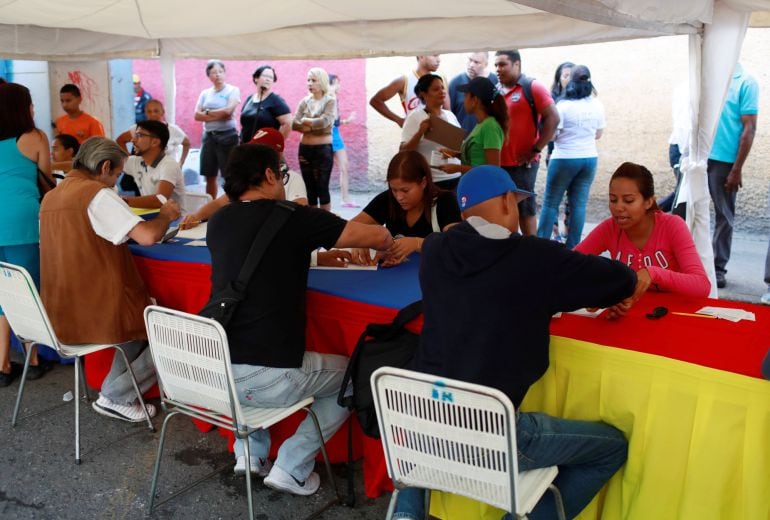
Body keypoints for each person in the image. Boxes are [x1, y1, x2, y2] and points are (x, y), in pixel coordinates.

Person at [393, 164, 637, 520]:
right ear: (509, 200)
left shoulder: (435, 250)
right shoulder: (535, 257)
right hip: (491, 437)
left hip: (420, 422)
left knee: (421, 440)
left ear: (463, 213)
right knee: (611, 448)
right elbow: (621, 279)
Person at [206, 143, 392, 495]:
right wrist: (388, 241)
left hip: (214, 372)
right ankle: (292, 465)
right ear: (270, 175)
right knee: (351, 378)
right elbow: (370, 235)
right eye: (283, 173)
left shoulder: (218, 221)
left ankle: (250, 453)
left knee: (247, 355)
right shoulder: (294, 217)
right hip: (270, 373)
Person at [39, 137, 181, 421]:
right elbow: (148, 236)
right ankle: (116, 395)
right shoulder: (96, 194)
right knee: (173, 330)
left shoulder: (53, 195)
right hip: (96, 310)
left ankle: (115, 394)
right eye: (116, 175)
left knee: (142, 317)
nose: (115, 183)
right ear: (104, 167)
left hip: (59, 308)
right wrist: (165, 214)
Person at [575, 162, 710, 298]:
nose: (618, 207)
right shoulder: (610, 228)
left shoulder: (672, 226)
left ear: (648, 202)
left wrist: (654, 273)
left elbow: (702, 286)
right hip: (629, 314)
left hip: (671, 314)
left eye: (628, 200)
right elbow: (570, 265)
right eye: (613, 200)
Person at [0, 82, 54, 387]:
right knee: (28, 291)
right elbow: (46, 184)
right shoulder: (34, 137)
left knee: (2, 294)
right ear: (22, 108)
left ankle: (3, 364)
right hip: (21, 222)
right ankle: (32, 359)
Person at [350, 150, 461, 266]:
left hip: (435, 275)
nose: (399, 197)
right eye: (394, 189)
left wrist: (417, 243)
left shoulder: (445, 201)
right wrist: (361, 241)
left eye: (405, 190)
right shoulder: (387, 200)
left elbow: (456, 243)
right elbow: (349, 228)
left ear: (423, 182)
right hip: (396, 277)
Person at [537, 65, 604, 249]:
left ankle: (541, 243)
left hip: (564, 157)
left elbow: (553, 136)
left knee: (551, 202)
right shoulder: (596, 104)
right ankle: (574, 247)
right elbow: (598, 134)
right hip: (589, 157)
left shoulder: (564, 106)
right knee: (579, 205)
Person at [494, 50, 560, 236]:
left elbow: (553, 118)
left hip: (522, 164)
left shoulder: (532, 87)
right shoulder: (497, 89)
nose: (498, 69)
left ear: (517, 64)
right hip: (499, 162)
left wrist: (536, 149)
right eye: (496, 65)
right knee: (504, 210)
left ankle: (533, 252)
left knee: (525, 210)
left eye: (503, 64)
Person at [707, 63, 759, 289]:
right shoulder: (710, 78)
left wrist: (736, 169)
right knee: (688, 210)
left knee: (723, 216)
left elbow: (750, 129)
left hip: (724, 161)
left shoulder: (746, 82)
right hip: (699, 156)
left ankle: (717, 268)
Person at [399, 73, 462, 189]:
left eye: (442, 88)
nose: (442, 91)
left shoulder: (450, 115)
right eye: (435, 89)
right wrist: (420, 133)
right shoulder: (415, 117)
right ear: (424, 94)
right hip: (433, 180)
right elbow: (403, 152)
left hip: (456, 176)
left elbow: (459, 146)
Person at [437, 76, 507, 175]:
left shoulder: (490, 126)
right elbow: (477, 158)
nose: (464, 100)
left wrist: (458, 168)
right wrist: (455, 154)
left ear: (475, 100)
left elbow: (493, 169)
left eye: (465, 96)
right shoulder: (482, 124)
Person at [194, 60, 241, 200]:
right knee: (209, 174)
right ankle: (211, 204)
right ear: (208, 76)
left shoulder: (233, 90)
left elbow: (228, 112)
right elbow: (197, 115)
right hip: (209, 136)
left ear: (225, 73)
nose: (217, 75)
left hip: (227, 136)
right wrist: (216, 114)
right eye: (213, 73)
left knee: (229, 174)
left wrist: (207, 113)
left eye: (220, 72)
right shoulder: (205, 93)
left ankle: (231, 203)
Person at [292, 67, 336, 210]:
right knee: (309, 189)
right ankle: (314, 223)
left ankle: (326, 222)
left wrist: (306, 121)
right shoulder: (304, 101)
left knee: (322, 188)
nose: (310, 83)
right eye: (308, 80)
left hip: (323, 150)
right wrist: (314, 124)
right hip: (305, 150)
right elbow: (294, 124)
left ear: (322, 81)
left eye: (314, 80)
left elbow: (325, 122)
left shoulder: (330, 101)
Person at [121, 120, 187, 213]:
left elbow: (161, 199)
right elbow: (106, 165)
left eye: (139, 135)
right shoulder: (135, 161)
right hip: (151, 217)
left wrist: (123, 201)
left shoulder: (169, 165)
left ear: (155, 142)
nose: (133, 140)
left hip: (174, 223)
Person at [369, 55, 448, 127]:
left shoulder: (441, 79)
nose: (438, 60)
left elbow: (447, 110)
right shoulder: (405, 80)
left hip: (437, 133)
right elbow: (375, 101)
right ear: (421, 56)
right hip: (414, 134)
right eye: (434, 55)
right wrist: (399, 120)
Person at [116, 99, 191, 165]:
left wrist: (181, 162)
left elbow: (187, 143)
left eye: (156, 111)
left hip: (167, 173)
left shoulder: (172, 130)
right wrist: (130, 160)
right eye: (149, 112)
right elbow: (120, 140)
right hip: (144, 175)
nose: (152, 114)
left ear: (162, 112)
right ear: (145, 113)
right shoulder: (138, 129)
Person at [659, 81, 690, 214]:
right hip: (682, 149)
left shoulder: (682, 87)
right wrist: (686, 155)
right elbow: (685, 126)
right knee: (682, 198)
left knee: (683, 194)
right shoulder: (689, 90)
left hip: (680, 148)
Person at [239, 65, 292, 144]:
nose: (268, 79)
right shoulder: (249, 99)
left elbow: (288, 124)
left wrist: (276, 144)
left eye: (271, 77)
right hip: (245, 147)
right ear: (256, 78)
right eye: (265, 76)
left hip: (265, 149)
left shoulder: (276, 101)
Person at [448, 52, 498, 134]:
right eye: (470, 60)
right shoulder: (455, 83)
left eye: (476, 62)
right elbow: (449, 115)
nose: (471, 65)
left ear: (486, 64)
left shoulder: (494, 81)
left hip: (487, 138)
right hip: (462, 141)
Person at [329, 74, 358, 208]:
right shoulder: (329, 98)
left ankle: (345, 199)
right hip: (327, 135)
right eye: (335, 83)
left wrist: (347, 121)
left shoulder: (334, 98)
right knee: (327, 169)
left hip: (335, 133)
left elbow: (334, 121)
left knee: (344, 167)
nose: (338, 86)